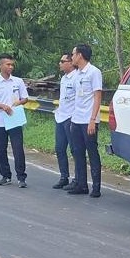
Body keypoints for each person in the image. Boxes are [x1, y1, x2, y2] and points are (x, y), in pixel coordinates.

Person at [0, 53, 29, 188]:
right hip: (0, 121)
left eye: (12, 64)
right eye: (8, 64)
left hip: (15, 120)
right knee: (1, 149)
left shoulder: (18, 81)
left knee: (18, 149)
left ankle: (21, 177)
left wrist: (18, 103)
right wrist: (3, 106)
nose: (11, 67)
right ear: (1, 66)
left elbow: (25, 98)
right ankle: (6, 175)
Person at [67, 43, 104, 197]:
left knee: (92, 152)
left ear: (80, 55)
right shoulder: (77, 74)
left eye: (73, 54)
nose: (72, 57)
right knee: (77, 152)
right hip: (76, 119)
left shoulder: (94, 72)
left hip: (89, 120)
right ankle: (81, 184)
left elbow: (97, 97)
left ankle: (96, 187)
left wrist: (92, 120)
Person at [52, 53, 76, 189]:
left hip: (71, 118)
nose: (60, 64)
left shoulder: (76, 78)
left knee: (74, 149)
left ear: (71, 63)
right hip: (61, 116)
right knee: (60, 148)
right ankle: (64, 176)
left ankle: (77, 178)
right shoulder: (64, 79)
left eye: (62, 61)